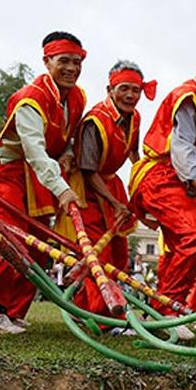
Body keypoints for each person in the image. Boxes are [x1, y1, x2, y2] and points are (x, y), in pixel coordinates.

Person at [128, 47, 196, 338]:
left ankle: (164, 310)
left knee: (188, 242)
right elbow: (181, 147)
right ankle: (167, 312)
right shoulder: (188, 97)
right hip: (161, 175)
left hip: (176, 177)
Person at [0, 31, 86, 334]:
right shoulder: (31, 98)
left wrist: (66, 154)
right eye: (63, 61)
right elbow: (35, 151)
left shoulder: (77, 96)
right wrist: (63, 189)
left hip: (39, 176)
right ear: (47, 61)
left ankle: (14, 313)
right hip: (8, 171)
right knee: (9, 238)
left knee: (39, 249)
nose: (71, 68)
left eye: (76, 62)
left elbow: (69, 135)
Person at [60, 60, 151, 319]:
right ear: (110, 89)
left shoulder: (134, 117)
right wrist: (114, 202)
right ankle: (102, 315)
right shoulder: (95, 122)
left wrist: (144, 179)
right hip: (88, 192)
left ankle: (84, 310)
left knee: (120, 253)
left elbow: (134, 152)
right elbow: (88, 172)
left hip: (112, 188)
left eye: (136, 90)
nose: (131, 95)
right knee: (99, 255)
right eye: (124, 89)